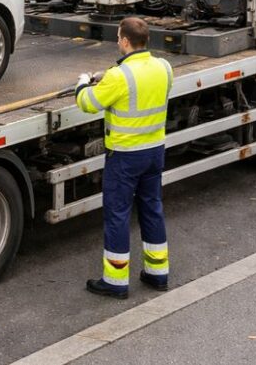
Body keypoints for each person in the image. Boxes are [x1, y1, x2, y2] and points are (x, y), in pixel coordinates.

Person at [74, 16, 172, 299]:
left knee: (118, 215)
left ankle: (115, 281)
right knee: (152, 208)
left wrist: (83, 83)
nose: (117, 41)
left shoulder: (119, 76)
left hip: (125, 157)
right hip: (154, 152)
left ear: (126, 41)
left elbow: (88, 103)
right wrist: (110, 77)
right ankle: (157, 273)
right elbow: (142, 87)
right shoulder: (164, 68)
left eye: (118, 37)